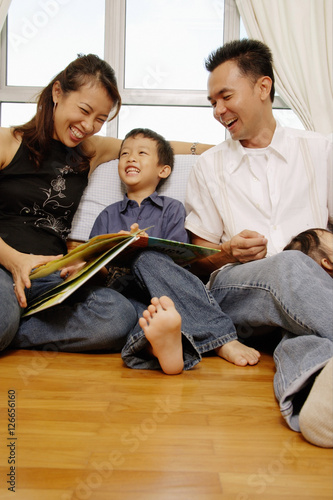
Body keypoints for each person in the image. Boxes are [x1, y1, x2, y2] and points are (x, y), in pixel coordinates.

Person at [0, 54, 211, 355]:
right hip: (4, 264)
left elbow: (155, 147)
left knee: (117, 316)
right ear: (57, 93)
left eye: (100, 119)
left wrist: (216, 148)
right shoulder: (7, 141)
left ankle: (15, 333)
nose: (87, 126)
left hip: (51, 274)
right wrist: (13, 260)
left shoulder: (90, 150)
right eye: (85, 111)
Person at [185, 39, 333, 447]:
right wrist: (227, 252)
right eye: (212, 101)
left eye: (226, 96)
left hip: (308, 300)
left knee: (302, 333)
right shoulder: (209, 166)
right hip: (236, 292)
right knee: (289, 265)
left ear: (263, 87)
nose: (218, 111)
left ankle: (313, 400)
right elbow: (198, 263)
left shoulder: (320, 151)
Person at [89, 127, 260, 374]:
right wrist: (112, 251)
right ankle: (161, 347)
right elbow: (94, 264)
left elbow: (181, 262)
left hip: (162, 287)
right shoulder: (107, 214)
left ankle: (218, 338)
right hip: (121, 289)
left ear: (163, 170)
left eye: (141, 153)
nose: (131, 158)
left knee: (147, 259)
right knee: (129, 312)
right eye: (124, 153)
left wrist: (142, 246)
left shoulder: (172, 209)